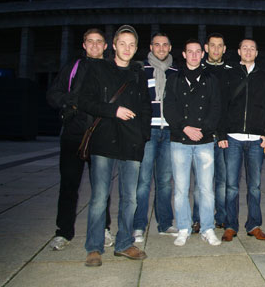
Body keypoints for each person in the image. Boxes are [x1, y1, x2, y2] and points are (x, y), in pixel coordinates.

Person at [78, 25, 152, 267]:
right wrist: (114, 110)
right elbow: (85, 101)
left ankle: (123, 243)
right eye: (123, 44)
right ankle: (94, 247)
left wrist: (143, 137)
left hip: (131, 142)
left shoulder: (139, 73)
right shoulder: (99, 69)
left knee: (130, 198)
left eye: (132, 45)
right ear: (113, 45)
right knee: (100, 197)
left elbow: (145, 108)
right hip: (104, 141)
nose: (127, 49)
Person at [46, 28, 114, 251]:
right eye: (90, 42)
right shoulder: (73, 67)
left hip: (100, 135)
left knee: (101, 187)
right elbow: (53, 95)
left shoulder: (110, 69)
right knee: (68, 185)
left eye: (99, 42)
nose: (95, 46)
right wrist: (71, 101)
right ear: (84, 45)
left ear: (106, 46)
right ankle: (63, 231)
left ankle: (103, 229)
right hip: (73, 134)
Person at [163, 39, 222, 246]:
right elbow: (168, 108)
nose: (195, 55)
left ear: (202, 55)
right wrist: (185, 128)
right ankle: (184, 228)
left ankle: (207, 228)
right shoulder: (173, 79)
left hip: (204, 141)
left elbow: (216, 108)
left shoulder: (211, 79)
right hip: (179, 140)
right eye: (191, 51)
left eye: (198, 52)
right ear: (184, 54)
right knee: (180, 189)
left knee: (206, 189)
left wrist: (202, 130)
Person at [218, 39, 265, 242]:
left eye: (252, 48)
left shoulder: (264, 76)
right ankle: (230, 225)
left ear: (257, 52)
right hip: (233, 137)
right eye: (245, 48)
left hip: (256, 139)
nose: (248, 51)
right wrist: (221, 134)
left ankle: (254, 225)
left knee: (255, 186)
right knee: (231, 185)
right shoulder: (230, 73)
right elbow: (221, 105)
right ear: (239, 51)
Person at [132, 32, 178, 244]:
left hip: (169, 131)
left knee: (165, 182)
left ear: (170, 48)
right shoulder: (141, 70)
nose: (161, 48)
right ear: (151, 47)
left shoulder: (176, 71)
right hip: (149, 131)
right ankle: (138, 226)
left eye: (165, 45)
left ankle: (165, 223)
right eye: (157, 45)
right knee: (142, 182)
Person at [190, 33, 231, 232]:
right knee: (201, 181)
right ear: (206, 48)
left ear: (224, 49)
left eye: (220, 46)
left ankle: (221, 217)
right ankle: (197, 218)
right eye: (212, 45)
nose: (216, 49)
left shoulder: (231, 71)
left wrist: (224, 132)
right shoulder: (198, 69)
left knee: (222, 180)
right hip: (203, 134)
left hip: (223, 136)